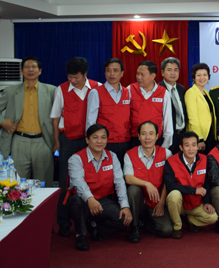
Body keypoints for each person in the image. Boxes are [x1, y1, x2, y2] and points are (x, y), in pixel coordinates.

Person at [51, 57, 101, 237]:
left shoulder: (97, 87)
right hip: (68, 141)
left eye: (76, 77)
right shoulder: (61, 90)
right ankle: (63, 222)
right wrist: (57, 142)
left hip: (91, 141)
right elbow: (55, 118)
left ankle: (91, 221)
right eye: (70, 77)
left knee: (92, 181)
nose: (72, 81)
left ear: (85, 74)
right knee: (66, 182)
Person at [0, 55, 55, 185]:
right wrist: (2, 122)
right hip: (18, 142)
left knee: (44, 183)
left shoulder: (52, 91)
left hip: (43, 142)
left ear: (40, 71)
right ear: (21, 71)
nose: (30, 70)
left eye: (34, 67)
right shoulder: (11, 91)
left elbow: (61, 115)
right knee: (15, 183)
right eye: (27, 67)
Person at [66, 124, 132, 251]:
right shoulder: (76, 158)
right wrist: (90, 199)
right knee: (76, 202)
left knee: (124, 219)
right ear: (87, 140)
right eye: (95, 137)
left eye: (103, 137)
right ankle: (81, 235)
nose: (99, 141)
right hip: (83, 201)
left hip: (104, 201)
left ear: (107, 140)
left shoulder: (112, 156)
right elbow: (78, 182)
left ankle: (96, 227)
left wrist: (125, 206)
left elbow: (119, 182)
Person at [124, 121, 174, 242]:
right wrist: (147, 184)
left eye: (151, 134)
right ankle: (135, 226)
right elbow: (128, 178)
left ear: (157, 136)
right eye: (144, 134)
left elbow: (169, 181)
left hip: (157, 201)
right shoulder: (129, 154)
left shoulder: (166, 153)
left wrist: (161, 203)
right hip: (139, 201)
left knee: (167, 230)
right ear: (139, 136)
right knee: (133, 189)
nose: (147, 138)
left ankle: (145, 223)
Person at [164, 131, 218, 239]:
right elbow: (170, 186)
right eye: (187, 145)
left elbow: (207, 183)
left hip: (196, 203)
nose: (191, 149)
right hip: (179, 203)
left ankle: (190, 219)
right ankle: (177, 227)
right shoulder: (171, 161)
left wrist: (207, 202)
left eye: (194, 145)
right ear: (181, 147)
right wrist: (194, 190)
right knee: (173, 195)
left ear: (198, 147)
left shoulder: (204, 159)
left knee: (213, 218)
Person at [86, 58, 131, 165]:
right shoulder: (96, 92)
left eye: (115, 70)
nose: (112, 74)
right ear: (105, 72)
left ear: (122, 73)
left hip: (125, 141)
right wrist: (91, 142)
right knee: (106, 174)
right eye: (108, 70)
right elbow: (90, 121)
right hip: (105, 142)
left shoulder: (128, 92)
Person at [127, 61, 173, 149]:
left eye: (142, 75)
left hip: (156, 140)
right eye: (137, 74)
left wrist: (164, 146)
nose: (138, 77)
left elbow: (168, 122)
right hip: (135, 140)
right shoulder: (130, 89)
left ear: (152, 76)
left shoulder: (163, 93)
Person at [185, 63, 218, 155]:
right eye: (198, 75)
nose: (202, 78)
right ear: (194, 77)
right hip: (199, 137)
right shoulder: (191, 93)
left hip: (209, 134)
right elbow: (192, 118)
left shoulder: (206, 92)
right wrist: (199, 138)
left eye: (205, 75)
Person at [158, 57, 187, 155]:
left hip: (182, 135)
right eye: (169, 70)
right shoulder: (158, 90)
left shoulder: (181, 89)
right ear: (162, 72)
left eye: (176, 70)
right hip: (166, 136)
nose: (173, 73)